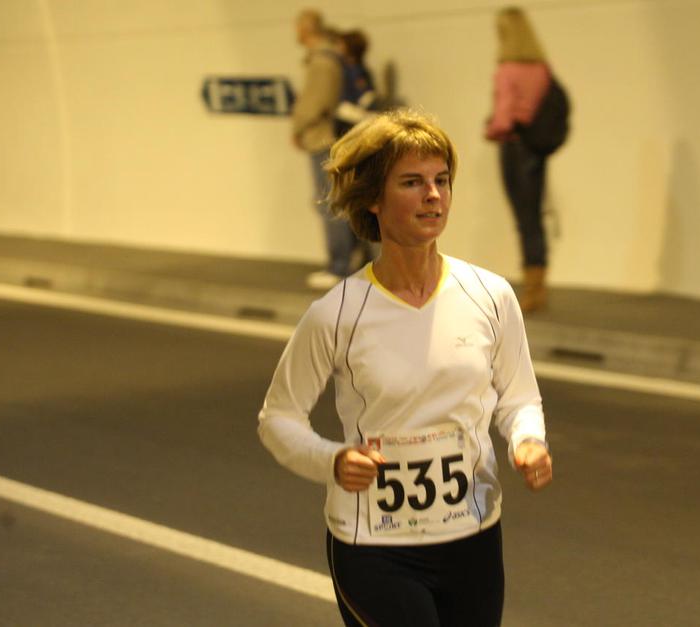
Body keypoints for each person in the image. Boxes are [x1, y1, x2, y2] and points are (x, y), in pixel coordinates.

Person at [258, 109, 553, 626]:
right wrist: (332, 461)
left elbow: (518, 397)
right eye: (412, 182)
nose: (433, 195)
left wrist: (527, 440)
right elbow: (277, 419)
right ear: (374, 198)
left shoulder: (490, 295)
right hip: (374, 545)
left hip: (473, 537)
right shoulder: (337, 313)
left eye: (442, 180)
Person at [484, 7, 554, 313]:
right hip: (536, 148)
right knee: (534, 216)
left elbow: (503, 118)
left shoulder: (507, 70)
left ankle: (532, 289)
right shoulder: (542, 69)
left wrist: (491, 129)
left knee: (522, 217)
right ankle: (538, 285)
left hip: (514, 147)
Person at [291, 10, 367, 290]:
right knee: (335, 200)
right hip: (329, 137)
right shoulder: (329, 58)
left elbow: (315, 102)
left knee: (329, 202)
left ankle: (339, 266)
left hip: (322, 139)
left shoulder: (322, 61)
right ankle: (348, 261)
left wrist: (298, 126)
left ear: (306, 29)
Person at [333, 29, 379, 137]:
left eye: (340, 44)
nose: (337, 48)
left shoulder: (357, 71)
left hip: (350, 120)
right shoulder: (344, 68)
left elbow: (366, 96)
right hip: (344, 117)